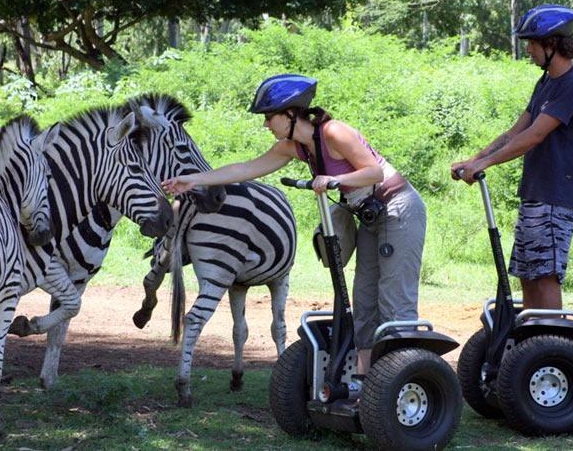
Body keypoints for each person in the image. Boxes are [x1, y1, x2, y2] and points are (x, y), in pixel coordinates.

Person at [163, 74, 427, 378]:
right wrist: (192, 180)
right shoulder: (296, 147)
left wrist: (334, 181)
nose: (265, 125)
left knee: (394, 300)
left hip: (398, 208)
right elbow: (246, 169)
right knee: (364, 301)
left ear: (290, 114)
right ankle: (365, 384)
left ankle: (404, 380)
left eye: (268, 118)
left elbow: (373, 173)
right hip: (370, 216)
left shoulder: (334, 132)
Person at [451, 4, 573, 310]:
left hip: (556, 196)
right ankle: (531, 349)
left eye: (531, 43)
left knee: (546, 275)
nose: (528, 49)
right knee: (528, 275)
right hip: (535, 193)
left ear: (552, 44)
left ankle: (551, 347)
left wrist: (485, 164)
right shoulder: (546, 83)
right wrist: (473, 159)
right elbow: (516, 131)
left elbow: (534, 136)